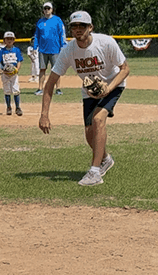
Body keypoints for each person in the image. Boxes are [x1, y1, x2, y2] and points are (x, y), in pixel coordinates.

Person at [38, 10, 130, 186]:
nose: (78, 29)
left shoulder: (106, 43)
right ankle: (106, 159)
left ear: (90, 27)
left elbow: (125, 69)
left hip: (113, 84)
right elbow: (50, 84)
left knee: (98, 119)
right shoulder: (68, 51)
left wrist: (109, 88)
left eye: (82, 26)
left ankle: (94, 172)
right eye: (74, 26)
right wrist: (44, 114)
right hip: (89, 90)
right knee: (89, 134)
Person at [33, 2, 66, 96]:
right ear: (43, 10)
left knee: (56, 69)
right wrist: (35, 47)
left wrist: (62, 46)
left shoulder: (57, 20)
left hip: (55, 49)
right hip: (42, 50)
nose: (47, 10)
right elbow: (37, 36)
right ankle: (40, 88)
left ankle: (58, 89)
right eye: (45, 8)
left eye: (48, 8)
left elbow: (62, 33)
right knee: (42, 69)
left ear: (52, 9)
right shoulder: (40, 22)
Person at [0, 31, 24, 116]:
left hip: (14, 74)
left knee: (16, 90)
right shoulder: (2, 51)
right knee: (7, 91)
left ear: (14, 40)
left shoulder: (16, 50)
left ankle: (18, 107)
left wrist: (17, 70)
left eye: (11, 39)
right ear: (4, 40)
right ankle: (8, 107)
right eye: (7, 39)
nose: (9, 41)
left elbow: (19, 61)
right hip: (5, 74)